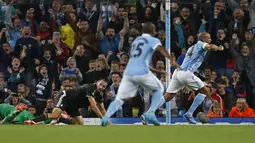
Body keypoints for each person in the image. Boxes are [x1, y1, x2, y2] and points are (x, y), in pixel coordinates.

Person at [101, 22, 178, 126]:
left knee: (120, 98)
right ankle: (150, 113)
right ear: (152, 31)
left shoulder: (136, 41)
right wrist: (172, 60)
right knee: (159, 88)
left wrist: (159, 72)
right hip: (141, 72)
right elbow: (161, 49)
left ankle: (105, 117)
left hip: (129, 72)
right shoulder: (153, 40)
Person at [148, 32, 224, 124]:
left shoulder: (192, 47)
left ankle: (149, 112)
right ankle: (189, 113)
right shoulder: (201, 44)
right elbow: (209, 46)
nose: (210, 40)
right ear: (203, 39)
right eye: (209, 38)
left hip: (178, 72)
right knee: (204, 91)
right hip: (186, 73)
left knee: (169, 95)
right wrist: (219, 48)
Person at [25, 79, 107, 125]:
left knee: (80, 123)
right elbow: (93, 106)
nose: (101, 87)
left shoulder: (99, 94)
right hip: (66, 97)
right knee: (55, 114)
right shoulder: (89, 87)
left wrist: (107, 119)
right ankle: (33, 121)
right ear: (97, 82)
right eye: (100, 84)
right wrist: (103, 119)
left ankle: (61, 120)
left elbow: (102, 109)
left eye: (104, 86)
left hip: (74, 106)